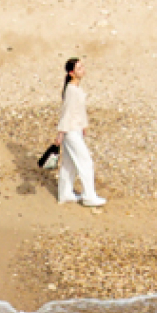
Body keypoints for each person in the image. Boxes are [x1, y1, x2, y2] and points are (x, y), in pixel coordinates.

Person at [52, 56, 104, 207]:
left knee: (69, 163)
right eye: (79, 68)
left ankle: (65, 193)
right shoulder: (71, 90)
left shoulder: (75, 89)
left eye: (83, 67)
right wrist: (60, 133)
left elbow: (78, 110)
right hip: (70, 131)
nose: (83, 70)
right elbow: (66, 112)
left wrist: (84, 126)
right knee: (85, 162)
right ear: (71, 73)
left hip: (76, 129)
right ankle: (89, 196)